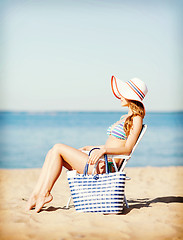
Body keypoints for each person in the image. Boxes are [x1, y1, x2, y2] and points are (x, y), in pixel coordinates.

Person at [26, 75, 148, 213]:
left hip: (106, 167)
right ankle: (36, 194)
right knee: (52, 152)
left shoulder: (136, 119)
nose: (120, 96)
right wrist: (92, 148)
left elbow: (127, 149)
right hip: (101, 161)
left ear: (131, 97)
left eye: (123, 94)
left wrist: (103, 150)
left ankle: (45, 193)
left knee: (58, 147)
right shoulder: (124, 118)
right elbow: (115, 143)